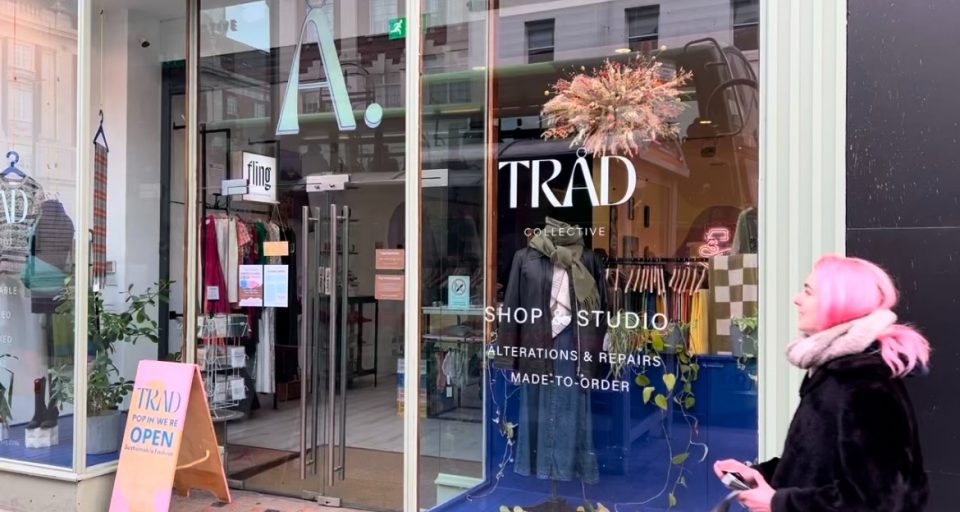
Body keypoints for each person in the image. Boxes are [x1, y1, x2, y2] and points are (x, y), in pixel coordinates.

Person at [713, 255, 930, 511]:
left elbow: (877, 500)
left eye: (808, 291)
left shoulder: (864, 384)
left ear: (838, 303)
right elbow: (820, 462)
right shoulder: (837, 372)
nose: (796, 298)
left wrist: (778, 502)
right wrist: (760, 475)